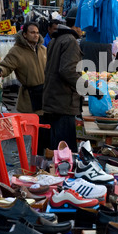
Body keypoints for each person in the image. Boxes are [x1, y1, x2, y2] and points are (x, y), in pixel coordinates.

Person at [42, 22, 97, 153]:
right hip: (64, 102)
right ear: (77, 25)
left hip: (54, 99)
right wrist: (90, 89)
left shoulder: (56, 39)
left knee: (57, 146)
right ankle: (63, 172)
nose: (84, 30)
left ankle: (54, 170)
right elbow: (68, 71)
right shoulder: (70, 41)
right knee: (65, 150)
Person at [0, 22, 46, 114]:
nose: (36, 35)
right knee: (31, 125)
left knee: (44, 125)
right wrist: (0, 70)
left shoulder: (43, 50)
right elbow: (6, 65)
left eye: (37, 33)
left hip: (45, 94)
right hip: (29, 97)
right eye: (32, 32)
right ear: (24, 34)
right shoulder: (17, 51)